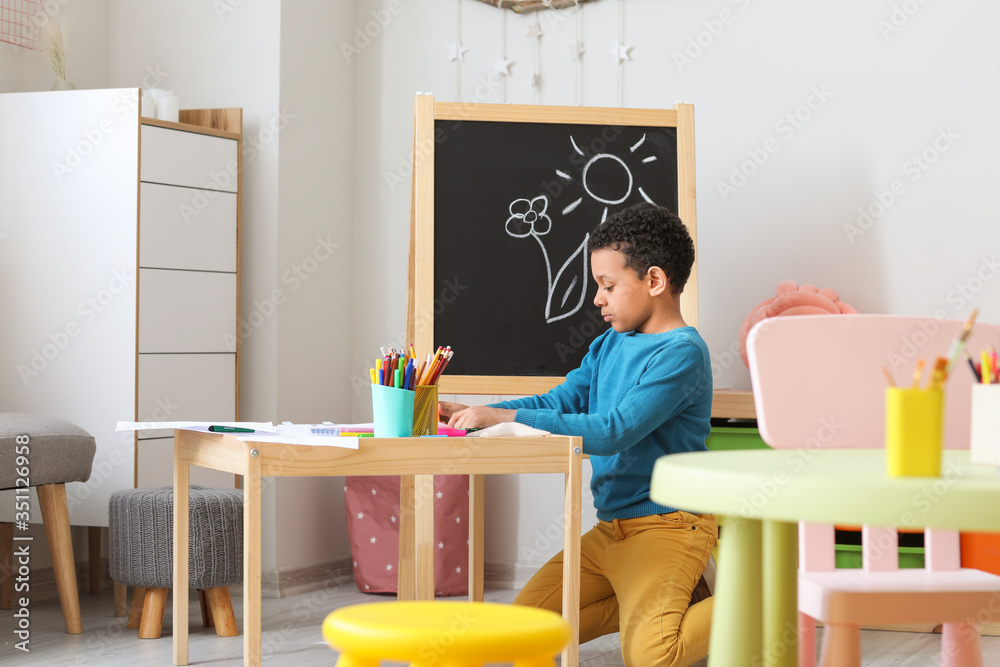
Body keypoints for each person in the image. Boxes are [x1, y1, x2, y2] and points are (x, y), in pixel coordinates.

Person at [439, 202, 717, 667]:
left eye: (608, 286)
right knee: (518, 632)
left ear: (654, 281)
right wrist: (484, 411)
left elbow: (614, 431)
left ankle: (764, 601)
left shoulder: (682, 353)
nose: (597, 299)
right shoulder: (610, 343)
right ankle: (662, 604)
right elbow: (560, 401)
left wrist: (501, 420)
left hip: (669, 527)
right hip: (612, 531)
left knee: (654, 657)